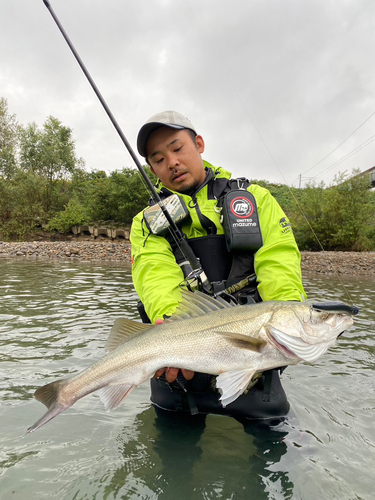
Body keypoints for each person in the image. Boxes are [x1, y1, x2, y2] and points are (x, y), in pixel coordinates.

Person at [130, 110, 307, 421]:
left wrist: (293, 321)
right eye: (158, 159)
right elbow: (154, 277)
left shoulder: (256, 199)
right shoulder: (145, 222)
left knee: (273, 434)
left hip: (253, 361)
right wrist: (174, 338)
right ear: (152, 169)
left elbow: (279, 262)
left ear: (199, 144)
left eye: (177, 148)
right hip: (178, 373)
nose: (171, 162)